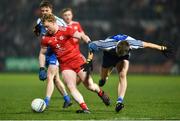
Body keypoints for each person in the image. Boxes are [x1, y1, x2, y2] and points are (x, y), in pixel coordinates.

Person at [39, 13, 111, 113]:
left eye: (47, 26)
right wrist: (42, 68)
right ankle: (85, 109)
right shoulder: (45, 38)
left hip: (78, 61)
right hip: (65, 65)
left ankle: (101, 93)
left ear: (53, 22)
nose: (46, 29)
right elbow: (42, 53)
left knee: (89, 85)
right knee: (71, 87)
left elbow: (81, 35)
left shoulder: (66, 30)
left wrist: (89, 42)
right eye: (44, 27)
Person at [85, 34, 169, 112]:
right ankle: (104, 78)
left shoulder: (133, 44)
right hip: (109, 55)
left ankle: (119, 101)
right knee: (103, 78)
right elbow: (92, 45)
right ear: (117, 47)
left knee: (122, 74)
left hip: (123, 57)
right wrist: (89, 60)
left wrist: (162, 48)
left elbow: (147, 44)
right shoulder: (108, 44)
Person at [33, 0, 72, 108]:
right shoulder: (39, 21)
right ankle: (67, 99)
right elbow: (41, 33)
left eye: (47, 10)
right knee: (55, 79)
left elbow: (68, 35)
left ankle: (46, 102)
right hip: (47, 51)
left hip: (57, 51)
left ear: (51, 10)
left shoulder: (59, 22)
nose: (44, 12)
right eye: (42, 10)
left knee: (50, 76)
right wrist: (37, 31)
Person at [60, 7, 86, 84]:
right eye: (65, 15)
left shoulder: (76, 24)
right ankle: (69, 86)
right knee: (60, 76)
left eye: (69, 15)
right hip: (64, 55)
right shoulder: (60, 26)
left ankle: (73, 87)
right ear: (62, 16)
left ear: (72, 15)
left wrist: (81, 39)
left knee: (85, 70)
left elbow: (83, 36)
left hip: (76, 53)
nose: (67, 17)